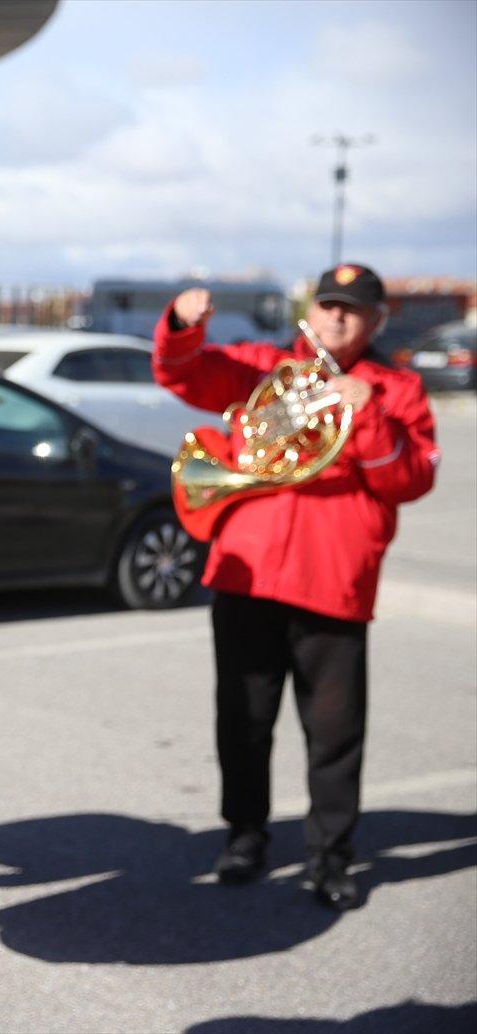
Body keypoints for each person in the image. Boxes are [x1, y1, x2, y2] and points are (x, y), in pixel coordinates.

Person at [152, 264, 439, 910]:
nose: (337, 317)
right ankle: (245, 836)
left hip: (335, 583)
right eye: (328, 304)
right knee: (243, 722)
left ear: (377, 322)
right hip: (247, 573)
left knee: (335, 734)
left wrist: (366, 417)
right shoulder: (265, 364)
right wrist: (179, 326)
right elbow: (183, 374)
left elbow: (411, 480)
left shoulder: (397, 389)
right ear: (312, 309)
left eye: (353, 310)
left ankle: (331, 857)